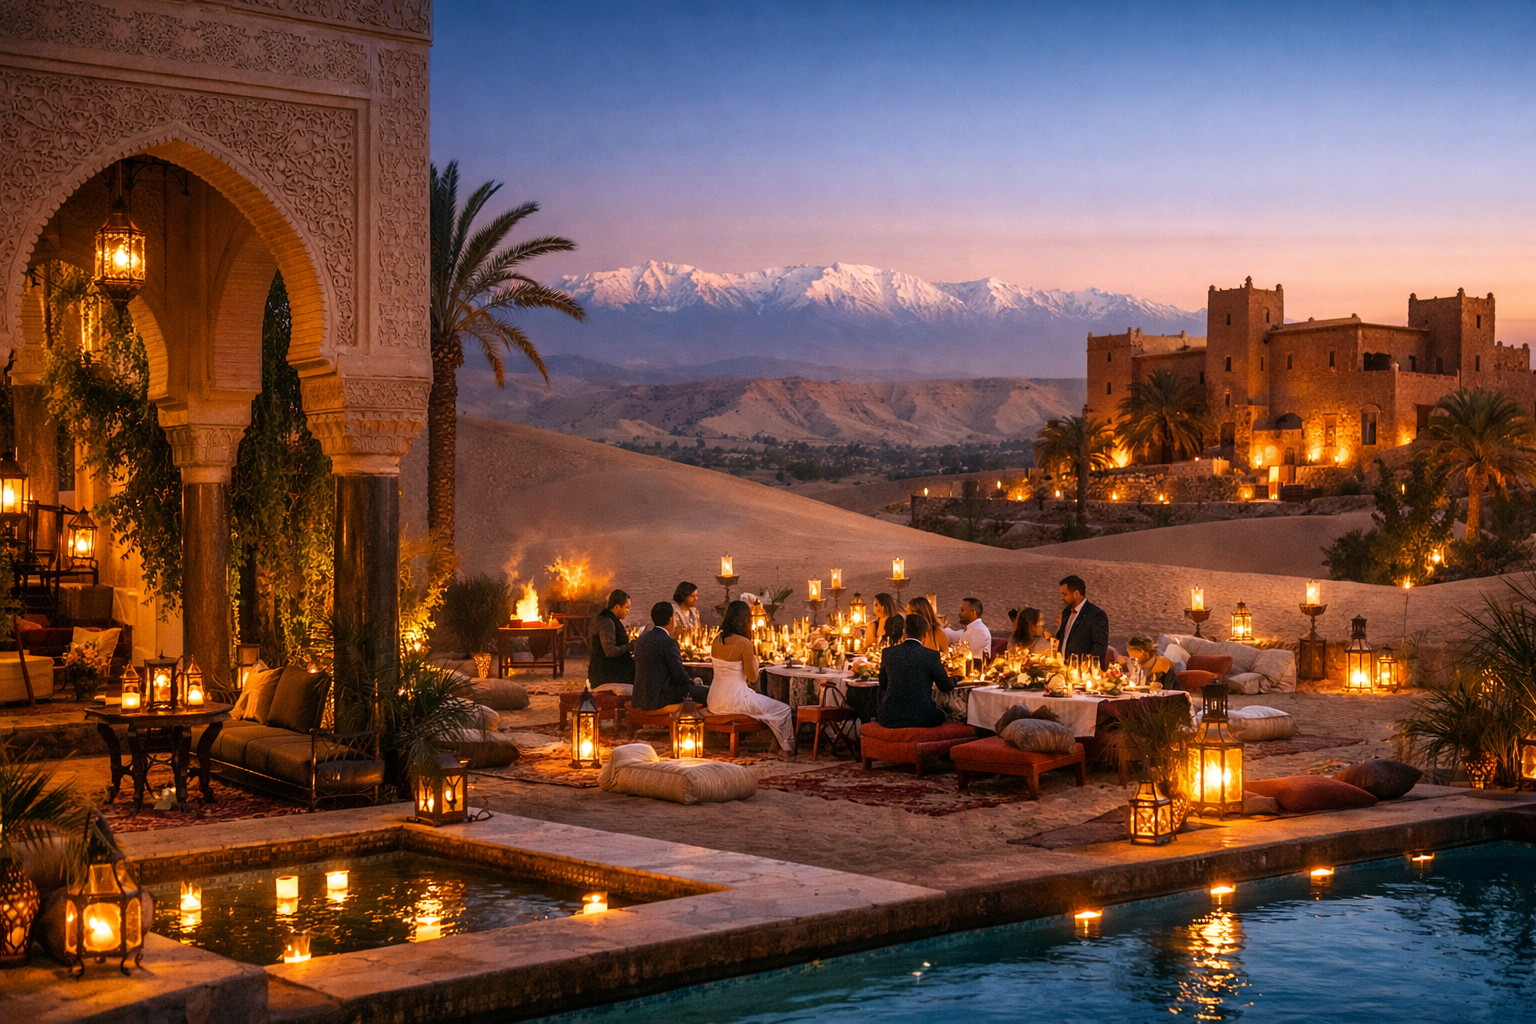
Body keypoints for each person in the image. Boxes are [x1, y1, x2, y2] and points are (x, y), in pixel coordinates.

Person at [708, 599, 795, 755]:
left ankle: (775, 745)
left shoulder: (716, 640)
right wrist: (755, 659)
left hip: (714, 699)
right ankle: (786, 748)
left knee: (766, 707)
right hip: (734, 700)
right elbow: (753, 677)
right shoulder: (743, 643)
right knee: (783, 710)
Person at [876, 613, 957, 729]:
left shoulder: (888, 653)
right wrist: (956, 679)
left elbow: (883, 684)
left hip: (889, 716)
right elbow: (945, 685)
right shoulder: (931, 655)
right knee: (945, 715)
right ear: (924, 634)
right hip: (920, 717)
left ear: (905, 632)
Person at [632, 602, 711, 711]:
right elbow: (679, 675)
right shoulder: (669, 643)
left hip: (640, 697)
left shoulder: (640, 640)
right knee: (708, 692)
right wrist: (693, 683)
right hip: (661, 698)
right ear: (671, 620)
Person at [1055, 575, 1109, 666]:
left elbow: (1099, 646)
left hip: (1082, 671)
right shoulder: (1066, 612)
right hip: (1064, 666)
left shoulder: (1096, 614)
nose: (1062, 597)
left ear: (1076, 593)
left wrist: (1086, 666)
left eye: (1065, 594)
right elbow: (1063, 636)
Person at [587, 589, 635, 687]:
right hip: (606, 674)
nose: (628, 611)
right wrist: (630, 646)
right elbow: (610, 651)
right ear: (617, 606)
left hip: (610, 670)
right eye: (627, 608)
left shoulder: (610, 620)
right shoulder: (606, 622)